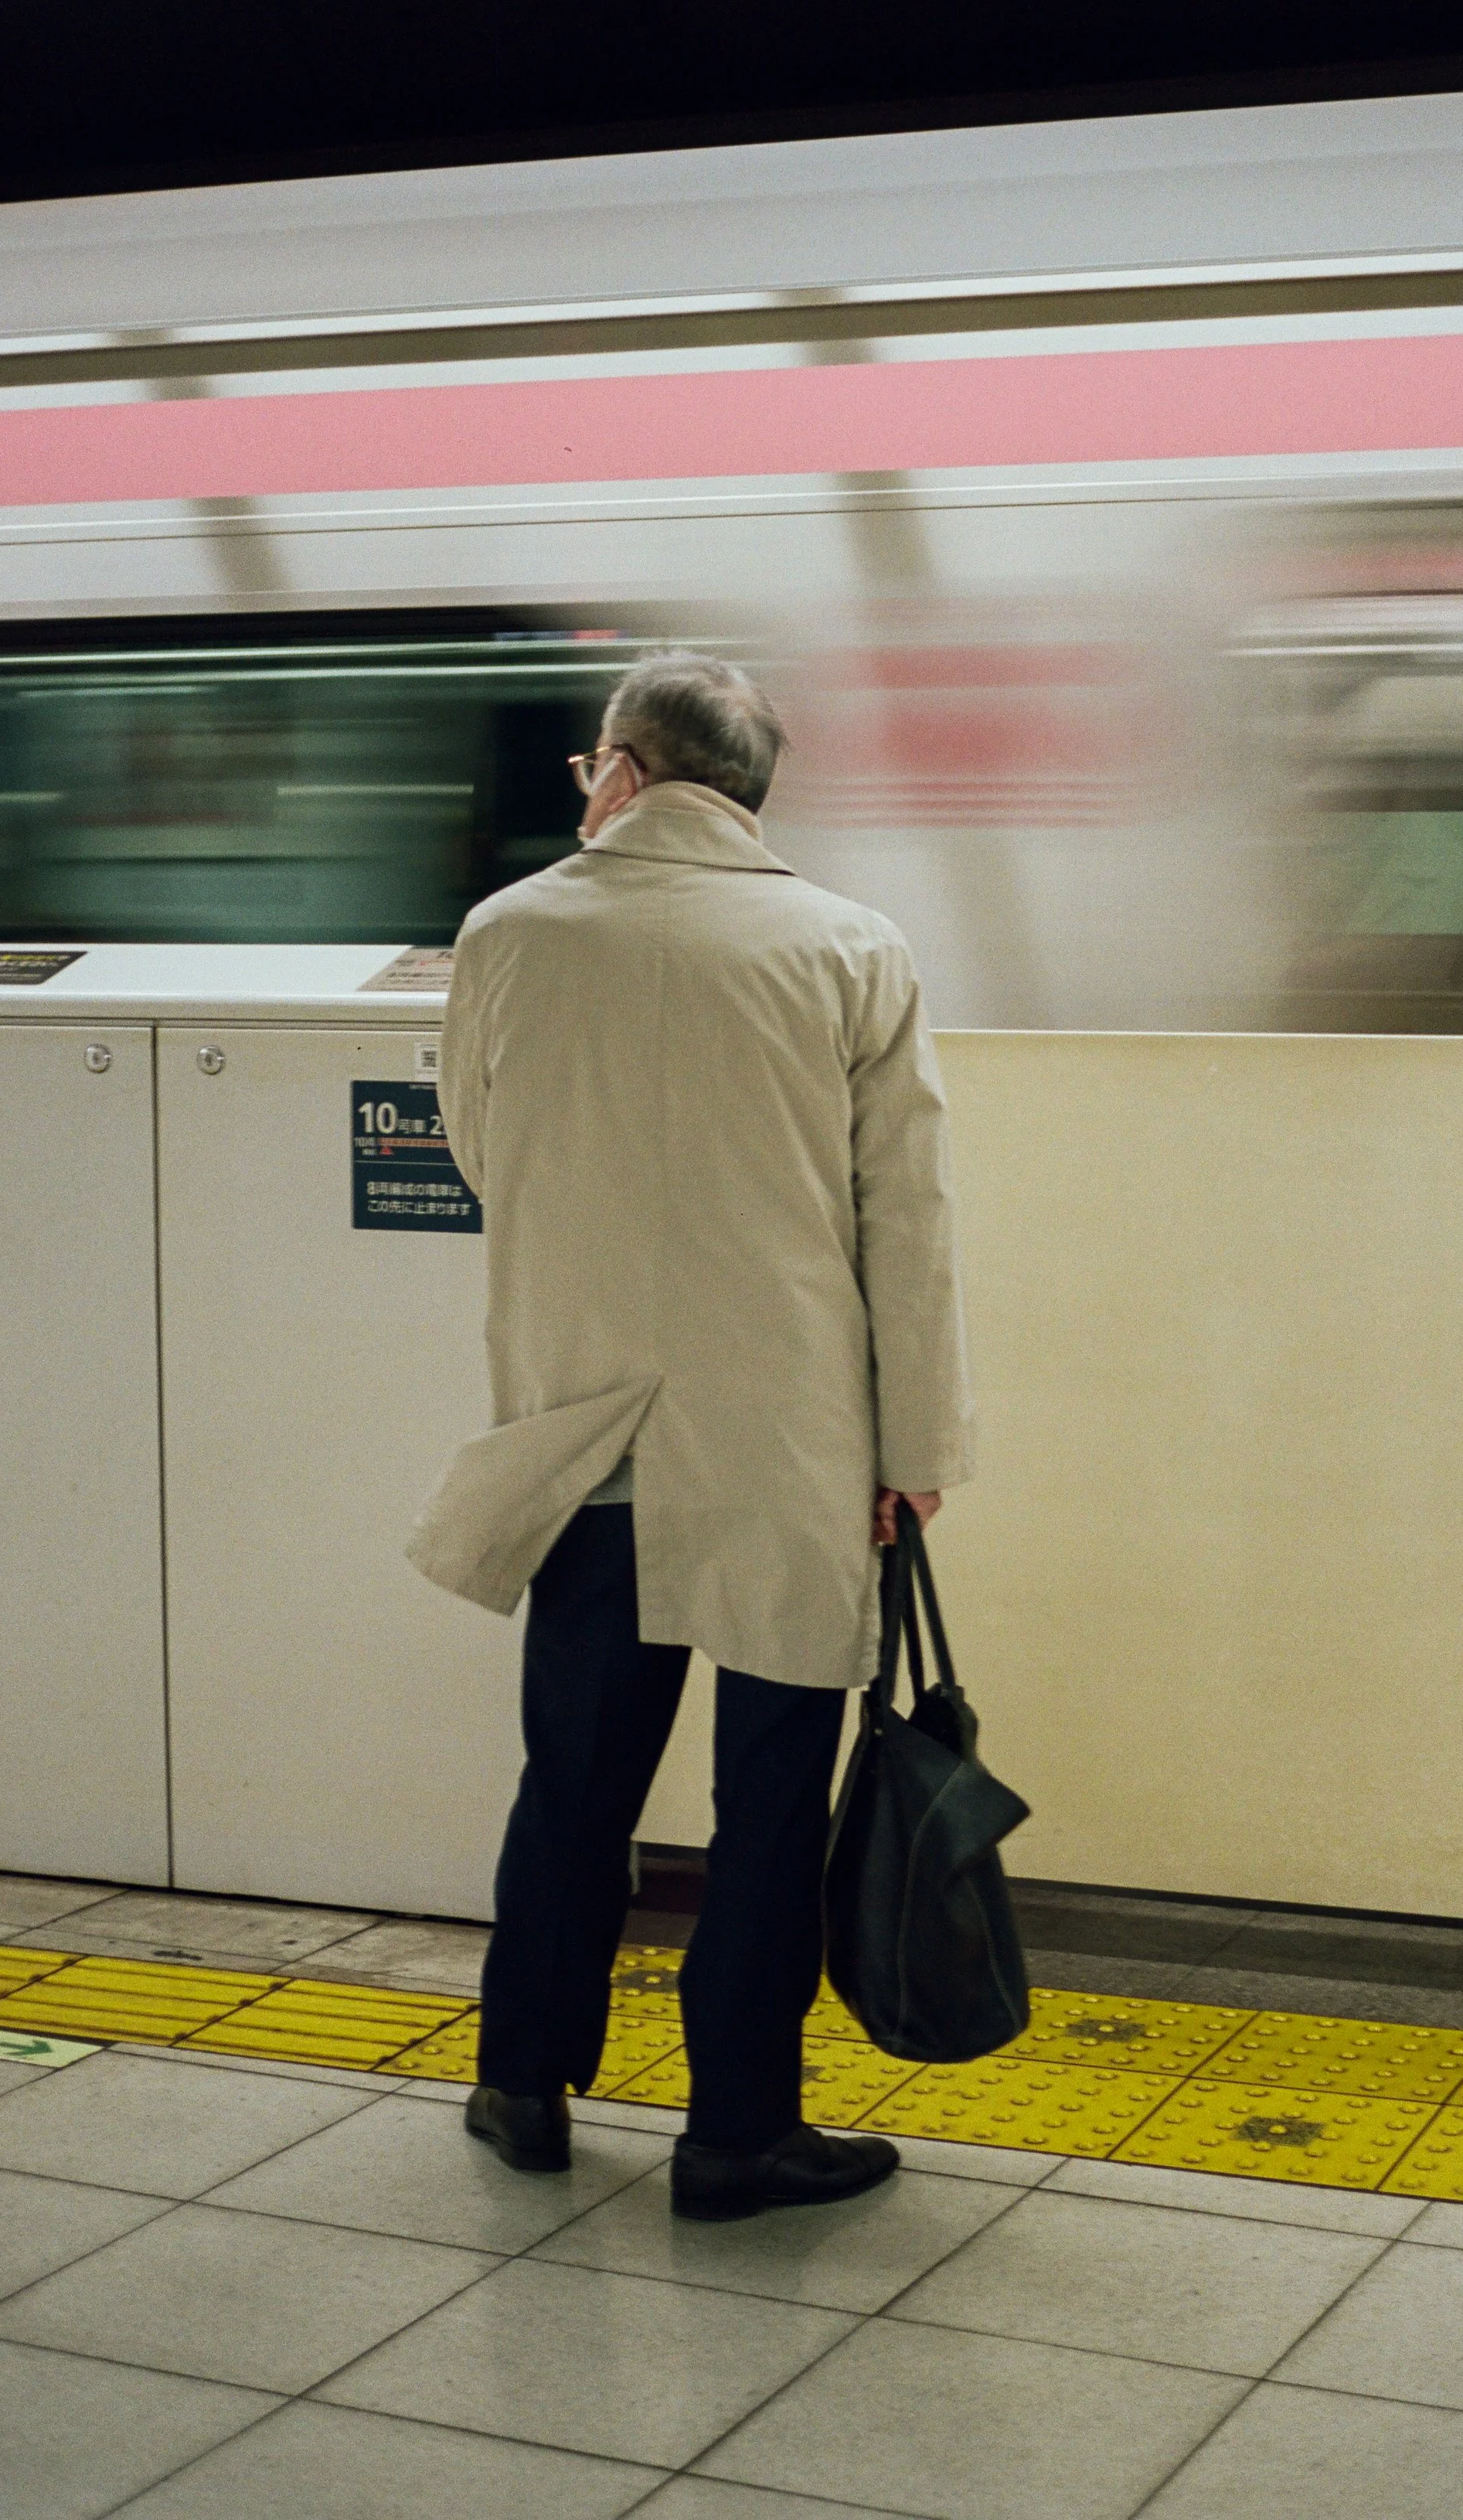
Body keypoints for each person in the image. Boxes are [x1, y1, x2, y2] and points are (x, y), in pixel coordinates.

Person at [409, 650, 973, 2222]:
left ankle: (521, 2083)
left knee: (571, 1782)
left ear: (625, 771)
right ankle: (735, 2130)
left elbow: (475, 1136)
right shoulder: (850, 946)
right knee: (769, 1804)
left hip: (586, 1440)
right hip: (787, 1440)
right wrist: (911, 1446)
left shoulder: (506, 935)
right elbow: (904, 1222)